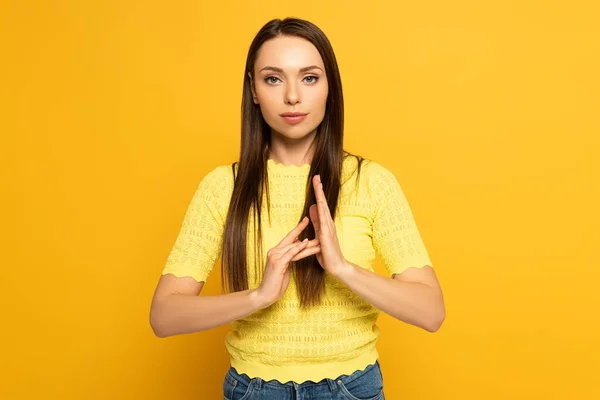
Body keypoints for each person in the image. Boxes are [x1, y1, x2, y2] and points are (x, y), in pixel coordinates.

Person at [150, 17, 445, 400]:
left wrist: (342, 268)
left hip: (351, 388)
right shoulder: (223, 187)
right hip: (253, 390)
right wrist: (259, 296)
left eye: (309, 78)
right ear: (253, 90)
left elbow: (431, 311)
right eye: (273, 79)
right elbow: (164, 316)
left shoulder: (371, 181)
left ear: (329, 89)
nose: (292, 96)